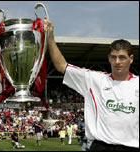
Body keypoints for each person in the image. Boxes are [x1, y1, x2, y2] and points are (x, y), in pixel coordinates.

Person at [44, 17, 139, 151]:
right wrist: (50, 37)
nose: (117, 61)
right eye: (113, 57)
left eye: (122, 57)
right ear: (109, 58)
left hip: (132, 147)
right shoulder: (94, 80)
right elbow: (61, 66)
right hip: (100, 146)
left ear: (131, 59)